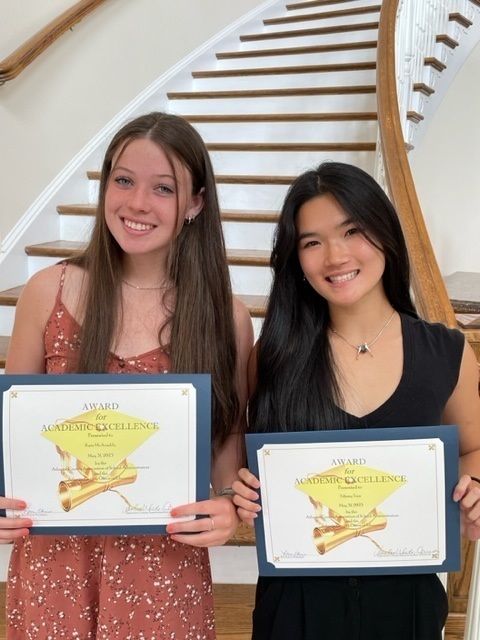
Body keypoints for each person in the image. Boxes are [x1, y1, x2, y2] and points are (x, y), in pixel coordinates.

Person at [2, 112, 253, 639]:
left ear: (195, 204)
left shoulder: (224, 317)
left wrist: (229, 509)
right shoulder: (47, 292)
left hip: (165, 569)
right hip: (55, 564)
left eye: (163, 188)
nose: (137, 203)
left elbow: (228, 452)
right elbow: (11, 436)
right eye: (123, 180)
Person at [232, 161, 480, 640]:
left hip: (407, 606)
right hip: (295, 609)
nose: (335, 256)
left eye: (352, 231)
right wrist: (238, 489)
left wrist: (473, 489)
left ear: (384, 232)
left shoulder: (446, 353)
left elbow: (474, 448)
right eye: (312, 242)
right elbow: (249, 466)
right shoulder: (272, 356)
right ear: (295, 259)